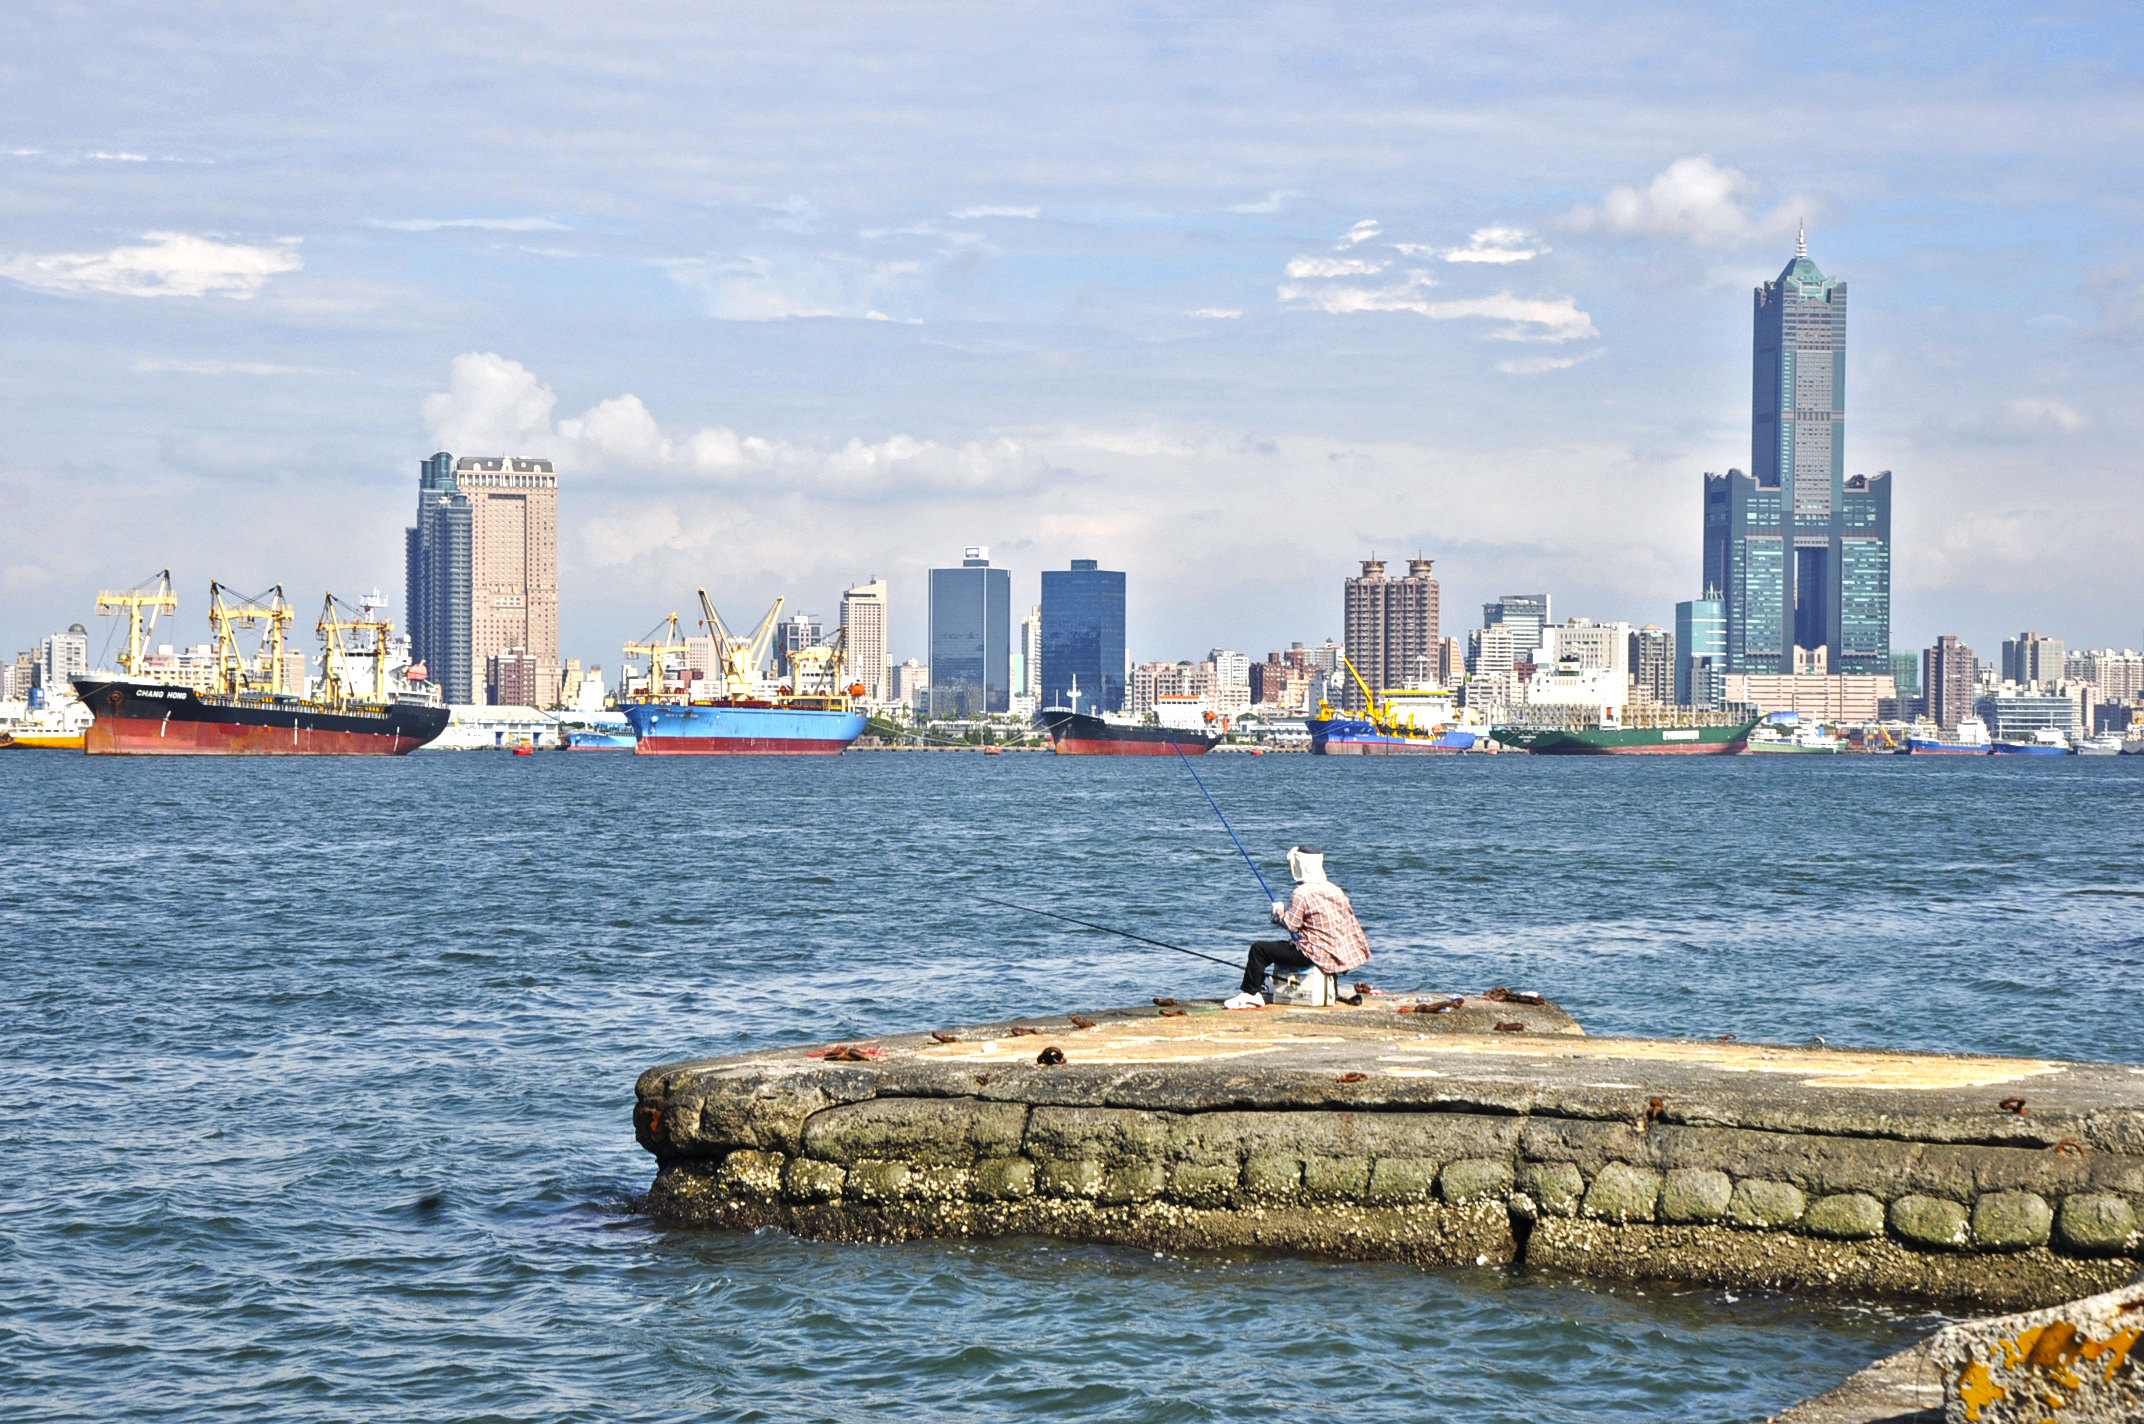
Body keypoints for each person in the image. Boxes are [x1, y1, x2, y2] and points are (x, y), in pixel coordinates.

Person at [1223, 844, 1370, 1009]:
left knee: (1259, 950)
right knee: (1283, 947)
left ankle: (1251, 994)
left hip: (1312, 954)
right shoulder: (1335, 890)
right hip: (1335, 953)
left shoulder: (1301, 893)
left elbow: (1291, 925)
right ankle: (1270, 985)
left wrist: (1278, 913)